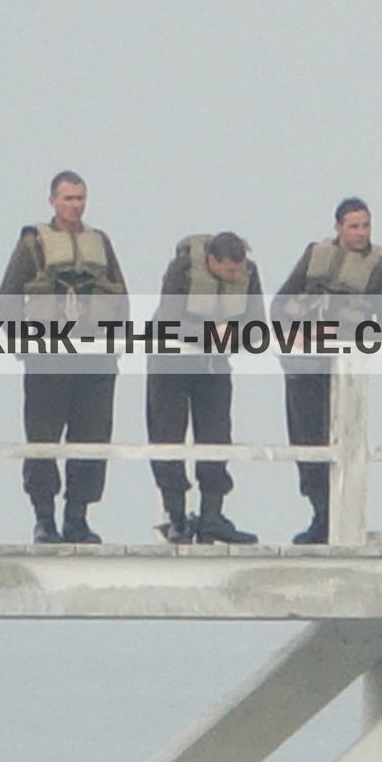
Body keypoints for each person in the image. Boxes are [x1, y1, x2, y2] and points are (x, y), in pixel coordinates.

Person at [0, 171, 128, 544]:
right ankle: (44, 518)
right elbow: (7, 300)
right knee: (43, 440)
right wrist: (24, 345)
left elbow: (121, 298)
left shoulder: (100, 242)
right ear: (52, 200)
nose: (75, 205)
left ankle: (78, 518)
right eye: (68, 198)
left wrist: (115, 342)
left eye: (80, 198)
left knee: (91, 440)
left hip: (95, 361)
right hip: (48, 361)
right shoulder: (33, 244)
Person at [272, 197, 382, 545]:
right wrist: (294, 332)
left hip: (343, 366)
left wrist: (349, 339)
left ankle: (339, 518)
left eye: (366, 225)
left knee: (339, 440)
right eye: (353, 226)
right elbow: (280, 304)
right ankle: (319, 515)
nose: (361, 233)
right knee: (305, 440)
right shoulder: (315, 254)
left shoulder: (381, 265)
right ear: (338, 227)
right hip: (303, 361)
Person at [148, 232, 265, 545]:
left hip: (214, 367)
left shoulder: (249, 274)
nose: (236, 276)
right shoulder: (182, 270)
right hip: (170, 365)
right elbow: (169, 322)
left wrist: (234, 335)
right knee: (167, 438)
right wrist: (213, 333)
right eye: (229, 271)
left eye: (238, 270)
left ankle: (212, 516)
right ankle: (175, 518)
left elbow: (258, 326)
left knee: (216, 438)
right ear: (211, 261)